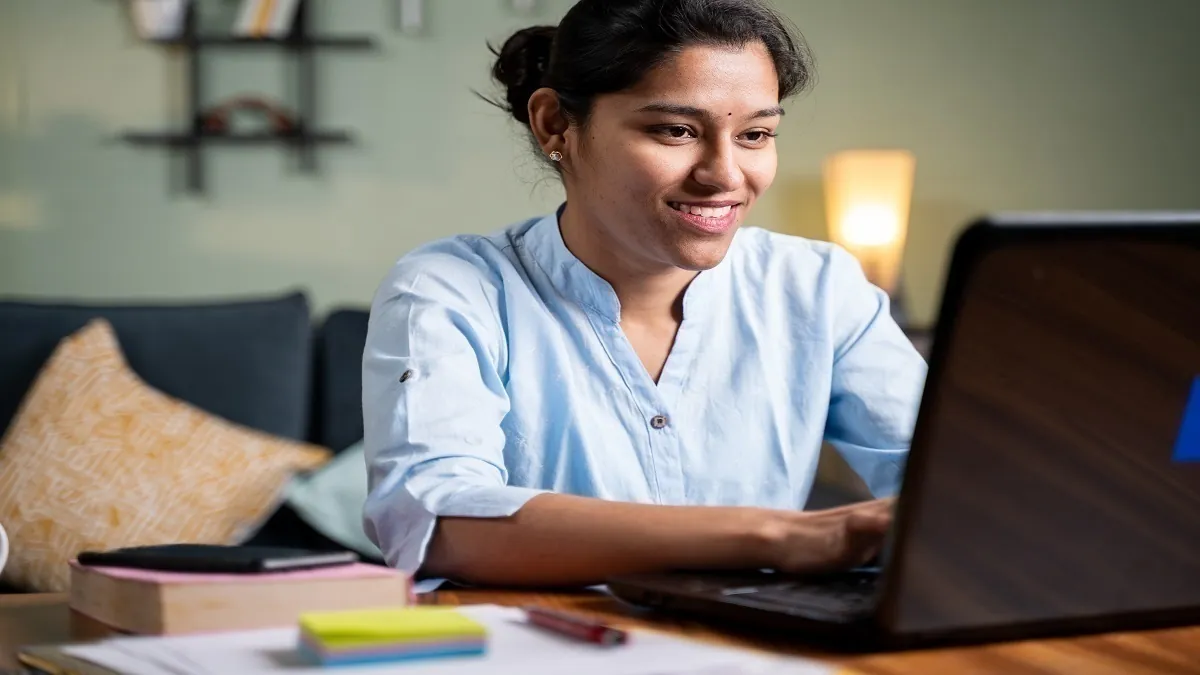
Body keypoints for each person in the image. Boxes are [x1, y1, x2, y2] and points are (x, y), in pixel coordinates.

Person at [362, 0, 927, 588]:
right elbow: (434, 520)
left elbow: (954, 487)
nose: (725, 175)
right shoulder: (451, 288)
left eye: (755, 134)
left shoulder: (817, 287)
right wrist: (775, 536)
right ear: (555, 123)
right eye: (676, 131)